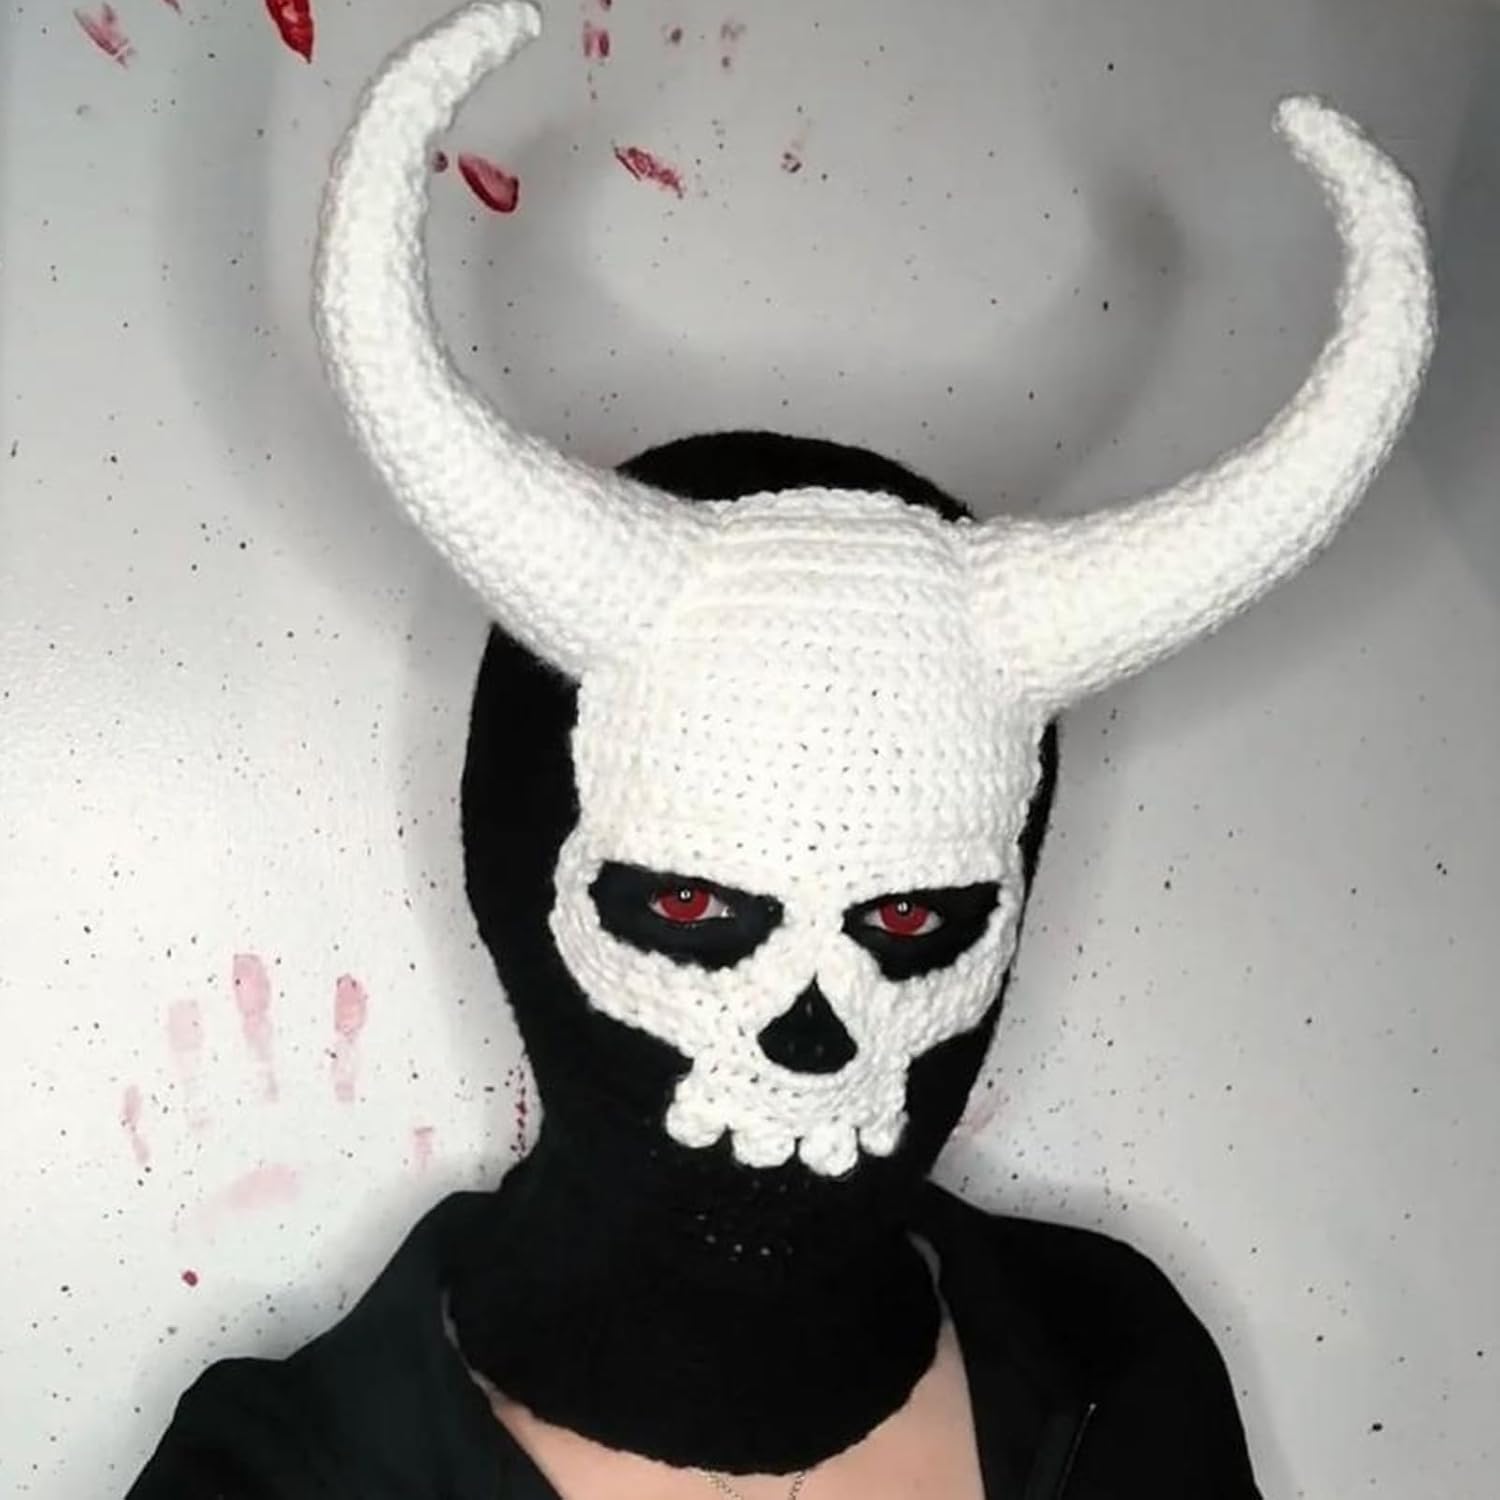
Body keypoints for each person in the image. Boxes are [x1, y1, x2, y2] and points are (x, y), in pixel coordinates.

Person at [125, 2, 1435, 1495]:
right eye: (692, 906)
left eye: (913, 924)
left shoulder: (1120, 1366)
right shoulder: (270, 1480)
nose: (814, 1033)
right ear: (518, 873)